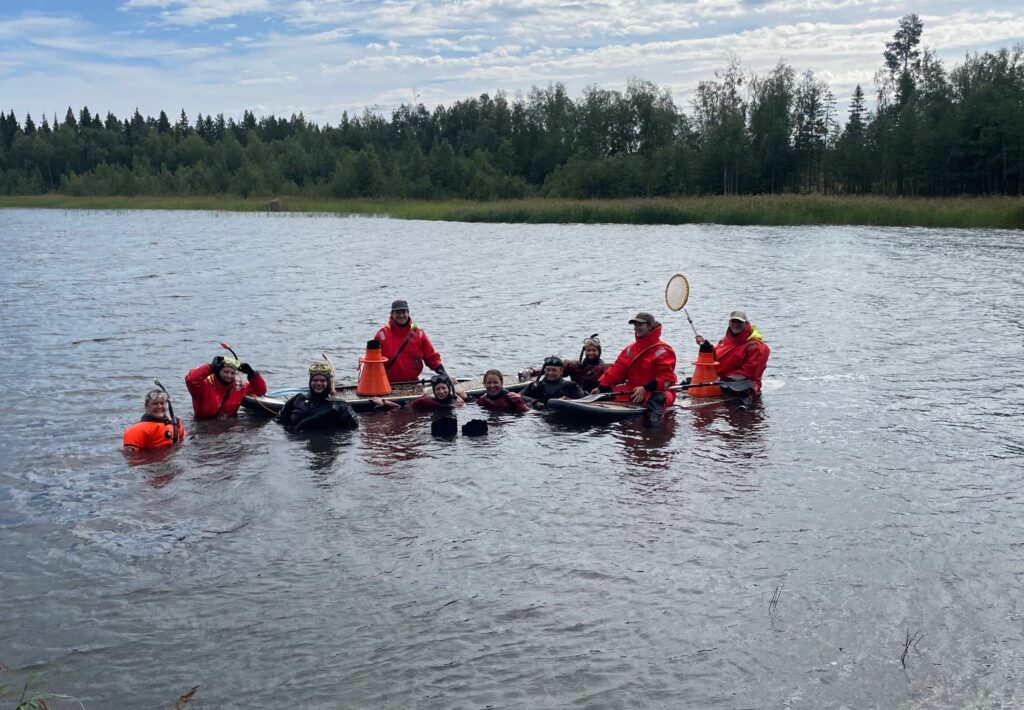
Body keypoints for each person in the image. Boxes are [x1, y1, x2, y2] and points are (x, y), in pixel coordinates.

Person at [595, 312, 677, 423]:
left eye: (640, 325)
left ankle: (654, 430)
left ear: (649, 326)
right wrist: (601, 387)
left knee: (658, 399)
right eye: (635, 325)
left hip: (658, 391)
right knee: (606, 395)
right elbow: (617, 369)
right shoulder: (631, 349)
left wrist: (645, 388)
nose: (636, 328)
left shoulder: (663, 351)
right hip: (634, 389)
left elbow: (667, 379)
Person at [694, 309, 771, 402]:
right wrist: (706, 346)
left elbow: (750, 372)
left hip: (743, 384)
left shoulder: (757, 346)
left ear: (746, 323)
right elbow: (715, 360)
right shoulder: (724, 341)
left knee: (738, 395)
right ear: (729, 323)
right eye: (733, 321)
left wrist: (724, 379)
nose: (735, 324)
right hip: (719, 381)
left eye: (739, 322)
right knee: (689, 381)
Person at [373, 299, 446, 383]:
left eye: (404, 312)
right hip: (386, 383)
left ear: (408, 313)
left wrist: (444, 374)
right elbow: (373, 363)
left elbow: (431, 358)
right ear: (392, 314)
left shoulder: (419, 334)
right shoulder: (381, 335)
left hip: (413, 382)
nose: (401, 315)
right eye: (397, 312)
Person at [278, 361, 358, 431]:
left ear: (328, 383)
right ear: (310, 382)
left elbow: (353, 428)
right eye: (315, 380)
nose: (318, 384)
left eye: (322, 381)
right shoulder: (297, 399)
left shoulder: (340, 406)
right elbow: (279, 420)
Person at [185, 353, 267, 418]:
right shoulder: (205, 385)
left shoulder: (239, 387)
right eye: (226, 372)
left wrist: (253, 375)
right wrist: (210, 367)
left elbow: (261, 390)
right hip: (204, 428)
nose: (229, 376)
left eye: (232, 373)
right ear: (218, 370)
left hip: (230, 430)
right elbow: (191, 379)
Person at [370, 373, 466, 411]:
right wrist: (384, 403)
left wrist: (466, 397)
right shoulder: (425, 400)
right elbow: (402, 409)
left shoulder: (458, 401)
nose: (441, 392)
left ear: (449, 389)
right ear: (433, 391)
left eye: (444, 388)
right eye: (438, 389)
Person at [520, 356, 586, 409]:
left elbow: (586, 401)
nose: (550, 373)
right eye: (548, 370)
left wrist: (570, 401)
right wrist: (534, 401)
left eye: (554, 370)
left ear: (561, 371)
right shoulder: (535, 385)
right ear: (544, 370)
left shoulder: (571, 386)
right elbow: (519, 396)